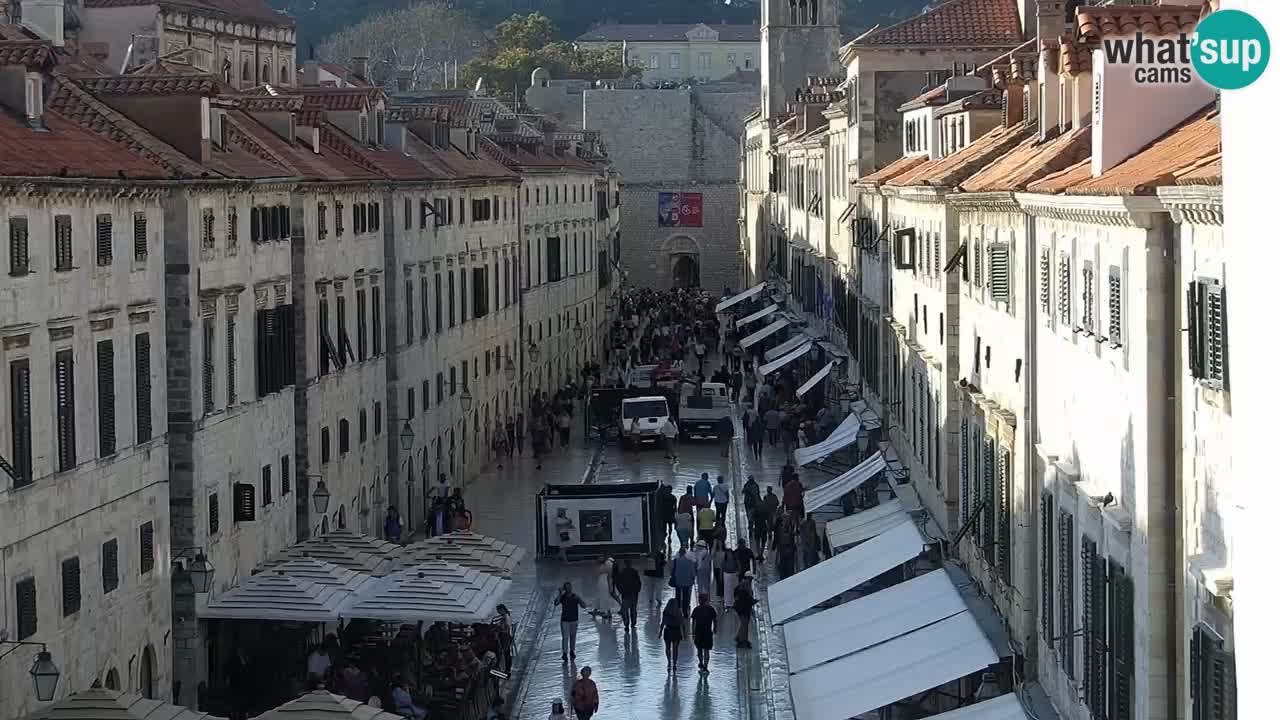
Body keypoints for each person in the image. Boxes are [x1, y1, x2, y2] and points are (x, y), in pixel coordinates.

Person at [555, 582, 589, 662]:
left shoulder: (575, 597)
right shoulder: (562, 597)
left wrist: (580, 600)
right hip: (565, 620)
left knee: (573, 637)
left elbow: (584, 605)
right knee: (565, 637)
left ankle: (572, 651)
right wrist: (559, 594)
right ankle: (564, 653)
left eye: (569, 587)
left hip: (574, 620)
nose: (568, 589)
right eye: (566, 587)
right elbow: (556, 603)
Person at [691, 593, 718, 674]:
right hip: (707, 632)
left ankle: (701, 662)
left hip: (698, 632)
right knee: (706, 650)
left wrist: (693, 632)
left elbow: (693, 622)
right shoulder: (711, 609)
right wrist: (715, 628)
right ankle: (705, 666)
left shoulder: (696, 609)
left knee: (699, 649)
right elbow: (715, 620)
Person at [670, 547, 697, 616]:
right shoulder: (690, 562)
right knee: (686, 596)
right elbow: (693, 573)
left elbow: (671, 571)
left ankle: (678, 609)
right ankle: (685, 612)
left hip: (678, 581)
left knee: (678, 596)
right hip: (687, 582)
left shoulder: (675, 561)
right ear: (685, 553)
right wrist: (693, 578)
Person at [616, 558, 642, 630]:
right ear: (631, 563)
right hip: (634, 593)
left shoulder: (622, 572)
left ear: (624, 564)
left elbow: (618, 583)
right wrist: (637, 590)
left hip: (625, 594)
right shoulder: (634, 571)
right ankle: (633, 623)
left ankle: (626, 624)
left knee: (625, 610)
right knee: (633, 609)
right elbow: (639, 582)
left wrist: (621, 591)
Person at [659, 598, 685, 670]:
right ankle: (674, 663)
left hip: (668, 630)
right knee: (675, 648)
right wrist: (685, 634)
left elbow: (663, 623)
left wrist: (660, 632)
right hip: (676, 631)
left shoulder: (666, 612)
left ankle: (669, 662)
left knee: (667, 648)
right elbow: (682, 624)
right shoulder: (678, 612)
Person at [732, 574, 757, 649]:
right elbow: (747, 598)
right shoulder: (746, 587)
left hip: (740, 608)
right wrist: (753, 601)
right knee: (744, 624)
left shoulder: (740, 585)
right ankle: (743, 641)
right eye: (751, 578)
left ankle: (739, 638)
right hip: (743, 609)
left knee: (743, 624)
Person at [719, 538, 741, 608]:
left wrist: (738, 572)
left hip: (733, 574)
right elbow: (722, 567)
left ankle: (734, 602)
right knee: (727, 590)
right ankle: (728, 603)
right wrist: (721, 575)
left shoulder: (734, 558)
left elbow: (738, 565)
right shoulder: (724, 559)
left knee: (734, 589)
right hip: (727, 575)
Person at [495, 604, 514, 672]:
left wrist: (499, 629)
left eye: (499, 611)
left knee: (506, 653)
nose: (498, 612)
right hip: (505, 636)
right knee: (506, 653)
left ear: (502, 610)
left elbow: (507, 628)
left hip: (506, 637)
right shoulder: (503, 617)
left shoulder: (506, 617)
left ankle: (507, 669)